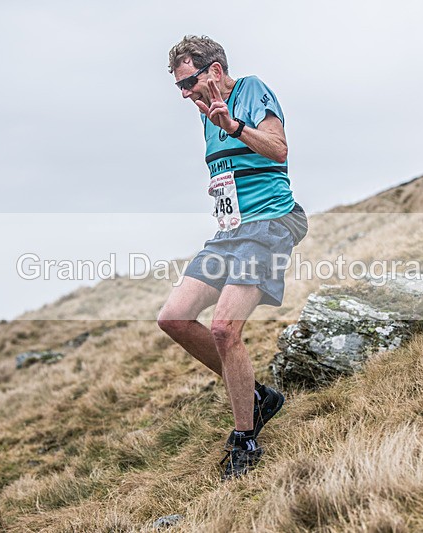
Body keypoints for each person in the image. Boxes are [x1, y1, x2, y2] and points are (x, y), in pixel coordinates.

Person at [158, 35, 307, 481]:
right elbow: (233, 168)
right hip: (230, 232)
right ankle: (257, 396)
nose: (185, 93)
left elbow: (278, 149)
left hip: (269, 223)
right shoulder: (204, 114)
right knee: (174, 318)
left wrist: (236, 127)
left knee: (224, 328)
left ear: (216, 71)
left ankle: (246, 440)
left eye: (188, 82)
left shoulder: (251, 90)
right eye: (179, 86)